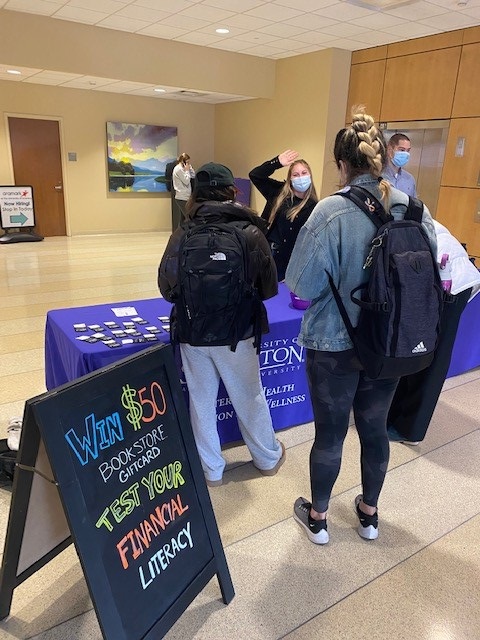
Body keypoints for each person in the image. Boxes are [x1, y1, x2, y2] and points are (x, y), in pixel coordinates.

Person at [285, 107, 437, 544]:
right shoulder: (409, 206)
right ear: (381, 158)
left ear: (341, 164)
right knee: (374, 426)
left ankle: (318, 520)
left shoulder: (330, 211)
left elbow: (301, 282)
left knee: (330, 435)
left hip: (333, 343)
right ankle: (369, 516)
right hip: (389, 342)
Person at [158, 162, 285, 487]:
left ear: (195, 194)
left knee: (201, 401)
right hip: (238, 333)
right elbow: (269, 288)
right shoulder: (250, 232)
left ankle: (211, 470)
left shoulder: (183, 232)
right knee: (249, 396)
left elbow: (166, 287)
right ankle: (267, 459)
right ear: (233, 192)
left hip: (192, 332)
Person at [387, 221, 480, 445]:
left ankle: (411, 431)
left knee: (433, 356)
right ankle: (395, 414)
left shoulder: (395, 219)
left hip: (451, 283)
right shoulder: (399, 212)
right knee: (414, 350)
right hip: (434, 277)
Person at [249, 151, 318, 281]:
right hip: (267, 257)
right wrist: (276, 162)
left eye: (304, 173)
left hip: (290, 266)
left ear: (310, 176)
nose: (300, 178)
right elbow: (255, 175)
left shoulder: (314, 206)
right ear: (290, 179)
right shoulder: (278, 192)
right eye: (295, 175)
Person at [172, 153, 195, 227]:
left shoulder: (184, 169)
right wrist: (187, 171)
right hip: (182, 197)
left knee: (182, 220)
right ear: (183, 162)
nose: (188, 164)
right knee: (189, 218)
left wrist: (190, 169)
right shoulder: (178, 169)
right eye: (187, 162)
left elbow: (193, 175)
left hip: (186, 197)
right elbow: (186, 181)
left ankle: (180, 236)